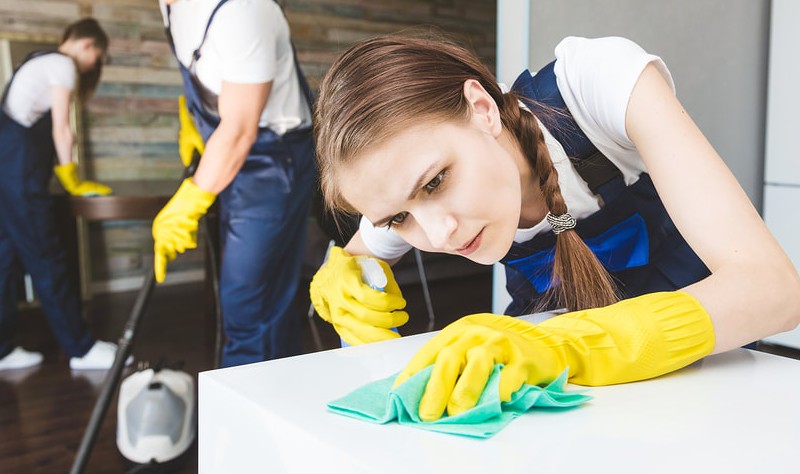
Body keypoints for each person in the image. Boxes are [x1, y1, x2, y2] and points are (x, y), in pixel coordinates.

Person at [309, 34, 800, 421]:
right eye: (398, 218)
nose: (439, 236)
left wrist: (562, 345)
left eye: (437, 182)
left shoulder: (595, 84)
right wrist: (342, 277)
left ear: (482, 110)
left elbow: (773, 292)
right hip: (572, 401)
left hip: (705, 369)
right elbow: (359, 257)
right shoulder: (412, 189)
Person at [155, 0, 316, 367]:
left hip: (272, 163)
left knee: (248, 301)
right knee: (263, 297)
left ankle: (240, 415)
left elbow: (240, 129)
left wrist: (191, 200)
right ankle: (277, 388)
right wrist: (193, 121)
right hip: (230, 151)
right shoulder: (170, 6)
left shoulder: (242, 9)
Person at [0, 18, 130, 371]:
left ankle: (1, 349)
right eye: (96, 57)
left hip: (6, 171)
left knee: (5, 261)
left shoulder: (36, 61)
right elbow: (62, 130)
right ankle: (81, 348)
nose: (92, 66)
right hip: (21, 174)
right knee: (48, 258)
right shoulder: (62, 65)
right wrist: (71, 177)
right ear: (87, 46)